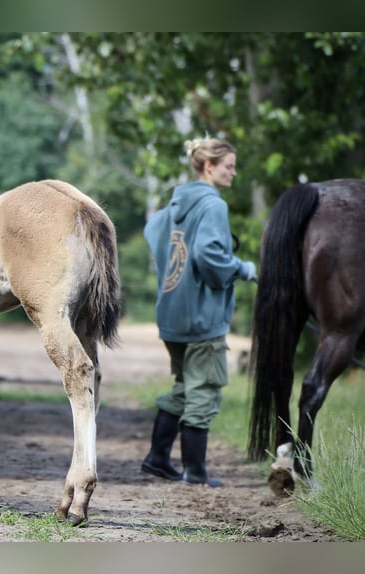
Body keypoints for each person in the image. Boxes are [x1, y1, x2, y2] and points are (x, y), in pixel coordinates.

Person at [141, 137, 256, 487]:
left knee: (184, 386)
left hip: (172, 313)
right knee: (204, 389)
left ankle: (158, 458)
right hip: (202, 317)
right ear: (209, 166)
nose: (234, 173)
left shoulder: (175, 204)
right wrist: (242, 268)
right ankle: (196, 471)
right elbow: (210, 256)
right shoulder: (213, 206)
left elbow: (152, 233)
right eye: (229, 166)